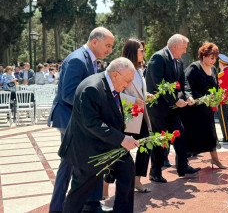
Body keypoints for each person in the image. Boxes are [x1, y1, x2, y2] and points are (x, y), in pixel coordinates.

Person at [47, 27, 114, 213]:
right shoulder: (77, 59)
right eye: (107, 45)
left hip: (75, 117)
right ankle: (71, 207)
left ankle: (84, 205)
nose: (109, 50)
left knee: (74, 162)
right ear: (95, 42)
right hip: (68, 117)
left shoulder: (89, 59)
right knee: (77, 160)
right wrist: (94, 106)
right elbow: (68, 93)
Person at [59, 58, 139, 212]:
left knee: (127, 168)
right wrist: (122, 139)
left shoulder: (111, 84)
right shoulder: (92, 88)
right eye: (128, 80)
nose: (129, 85)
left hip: (108, 144)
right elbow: (92, 123)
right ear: (115, 74)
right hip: (87, 149)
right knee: (79, 193)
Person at [145, 34, 200, 183]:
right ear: (174, 46)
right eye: (183, 48)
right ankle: (155, 172)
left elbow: (184, 82)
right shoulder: (158, 58)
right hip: (159, 109)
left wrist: (188, 96)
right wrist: (175, 101)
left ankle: (182, 167)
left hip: (173, 109)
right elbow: (159, 85)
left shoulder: (179, 61)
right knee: (161, 140)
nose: (184, 51)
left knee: (180, 135)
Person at [103, 39, 153, 196]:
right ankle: (105, 187)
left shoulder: (139, 70)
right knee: (119, 151)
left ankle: (137, 180)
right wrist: (133, 101)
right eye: (141, 50)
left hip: (139, 114)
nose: (144, 53)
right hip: (124, 114)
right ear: (133, 51)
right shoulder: (121, 67)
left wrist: (146, 96)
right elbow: (115, 92)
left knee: (145, 143)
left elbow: (138, 91)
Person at [181, 42, 228, 169]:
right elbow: (186, 85)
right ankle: (182, 163)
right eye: (211, 58)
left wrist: (218, 96)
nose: (214, 61)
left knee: (211, 133)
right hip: (193, 109)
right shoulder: (194, 67)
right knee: (191, 134)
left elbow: (216, 86)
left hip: (207, 109)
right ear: (204, 56)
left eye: (215, 58)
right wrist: (198, 98)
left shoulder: (213, 69)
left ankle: (215, 160)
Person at [217, 54, 228, 142]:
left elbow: (220, 87)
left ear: (221, 63)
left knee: (223, 119)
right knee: (227, 118)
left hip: (222, 99)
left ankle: (226, 137)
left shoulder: (222, 73)